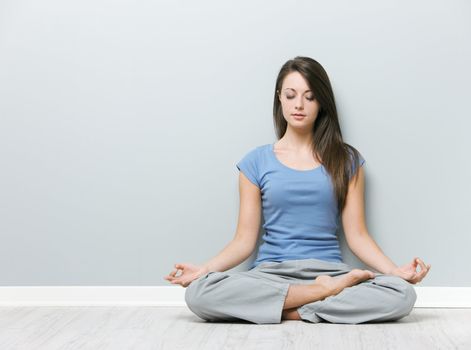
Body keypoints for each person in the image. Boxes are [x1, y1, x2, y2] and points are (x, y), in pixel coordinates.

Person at [164, 56, 431, 324]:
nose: (299, 105)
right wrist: (205, 270)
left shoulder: (347, 160)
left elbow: (358, 235)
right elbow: (243, 241)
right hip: (270, 275)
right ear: (279, 98)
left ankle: (289, 309)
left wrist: (395, 272)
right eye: (291, 95)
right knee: (199, 293)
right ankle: (317, 297)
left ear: (322, 102)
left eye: (310, 97)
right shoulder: (255, 162)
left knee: (401, 294)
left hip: (331, 272)